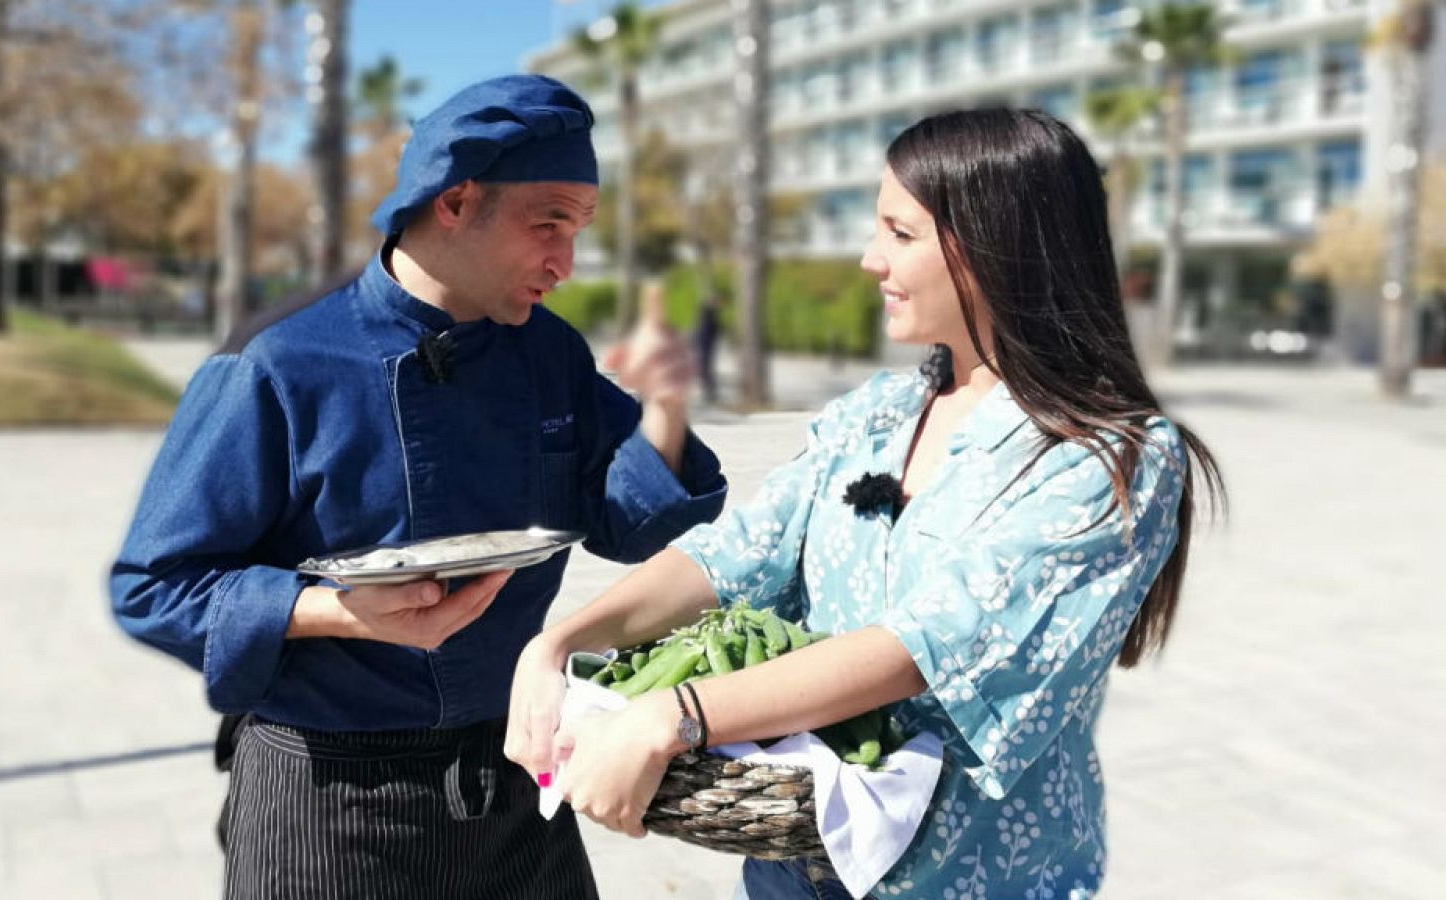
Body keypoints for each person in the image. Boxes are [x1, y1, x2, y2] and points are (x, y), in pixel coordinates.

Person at [505, 109, 1224, 899]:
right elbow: (733, 555)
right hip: (795, 877)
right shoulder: (874, 413)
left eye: (900, 234)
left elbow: (927, 645)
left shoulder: (1112, 458)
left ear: (998, 244)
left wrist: (674, 715)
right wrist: (560, 644)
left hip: (977, 879)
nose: (868, 259)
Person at [109, 74, 727, 899]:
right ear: (456, 200)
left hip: (513, 780)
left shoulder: (549, 353)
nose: (565, 262)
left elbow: (626, 521)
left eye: (578, 230)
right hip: (327, 799)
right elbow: (153, 586)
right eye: (547, 224)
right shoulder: (280, 362)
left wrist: (668, 404)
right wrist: (334, 611)